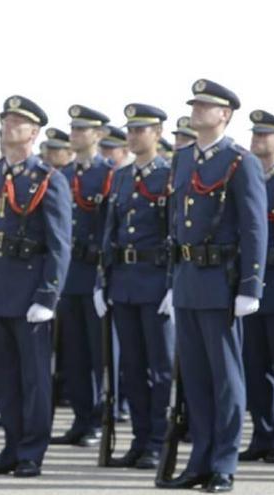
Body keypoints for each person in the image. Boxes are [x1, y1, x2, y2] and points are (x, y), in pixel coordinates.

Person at [156, 79, 267, 492]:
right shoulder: (183, 159)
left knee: (226, 380)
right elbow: (175, 225)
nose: (197, 110)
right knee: (196, 381)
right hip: (187, 280)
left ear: (224, 115)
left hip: (221, 281)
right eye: (195, 104)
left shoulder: (239, 161)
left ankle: (224, 462)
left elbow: (255, 227)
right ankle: (200, 459)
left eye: (206, 106)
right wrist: (171, 281)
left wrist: (250, 286)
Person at [0, 95, 71, 477]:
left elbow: (59, 243)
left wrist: (48, 294)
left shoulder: (47, 178)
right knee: (5, 376)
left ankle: (32, 450)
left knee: (34, 378)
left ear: (33, 132)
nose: (8, 126)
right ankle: (12, 446)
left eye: (17, 121)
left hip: (31, 289)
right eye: (5, 120)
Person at [96, 103, 174, 469]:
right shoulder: (123, 176)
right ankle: (140, 438)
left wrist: (174, 286)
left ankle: (158, 440)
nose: (133, 135)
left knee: (159, 368)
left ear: (157, 134)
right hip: (124, 282)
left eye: (141, 129)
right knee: (130, 366)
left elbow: (175, 233)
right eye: (130, 129)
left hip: (156, 282)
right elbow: (109, 232)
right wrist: (102, 280)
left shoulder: (169, 175)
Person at [52, 104, 113, 448]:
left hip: (94, 275)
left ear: (98, 135)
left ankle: (104, 417)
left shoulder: (107, 174)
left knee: (98, 353)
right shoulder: (62, 175)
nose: (75, 134)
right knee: (73, 354)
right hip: (69, 275)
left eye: (82, 129)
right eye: (73, 129)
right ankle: (81, 418)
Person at [237, 110, 274, 464]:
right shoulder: (245, 176)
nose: (258, 140)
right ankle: (261, 433)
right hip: (248, 283)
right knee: (253, 365)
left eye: (266, 135)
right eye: (255, 134)